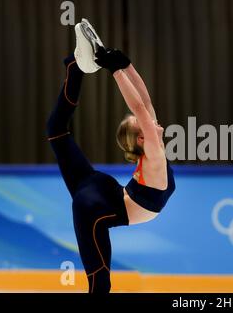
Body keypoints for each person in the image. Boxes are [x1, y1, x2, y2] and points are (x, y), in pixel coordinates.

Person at [46, 19, 175, 293]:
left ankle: (77, 68)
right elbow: (141, 105)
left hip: (102, 200)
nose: (151, 120)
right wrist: (119, 68)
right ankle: (77, 66)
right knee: (100, 283)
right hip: (101, 202)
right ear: (142, 138)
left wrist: (123, 66)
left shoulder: (153, 146)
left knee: (57, 130)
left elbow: (144, 104)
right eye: (144, 123)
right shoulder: (152, 148)